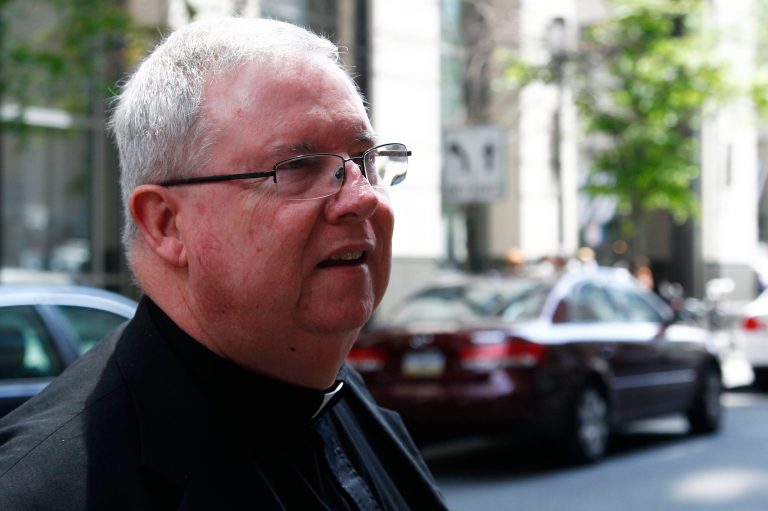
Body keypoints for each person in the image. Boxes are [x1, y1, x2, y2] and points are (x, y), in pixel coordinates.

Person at [0, 17, 447, 510]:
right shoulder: (49, 490)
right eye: (298, 167)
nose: (361, 198)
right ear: (167, 223)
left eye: (365, 160)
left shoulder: (346, 402)